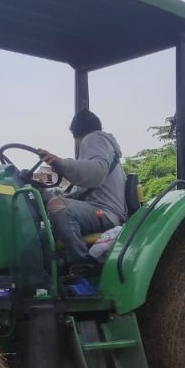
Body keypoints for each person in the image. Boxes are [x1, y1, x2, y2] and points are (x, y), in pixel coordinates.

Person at [36, 110, 126, 279]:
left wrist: (61, 162)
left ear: (74, 133)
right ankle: (49, 276)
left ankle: (82, 264)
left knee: (58, 207)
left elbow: (96, 172)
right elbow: (80, 192)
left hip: (104, 212)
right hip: (98, 210)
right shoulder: (104, 146)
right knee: (41, 233)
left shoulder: (94, 138)